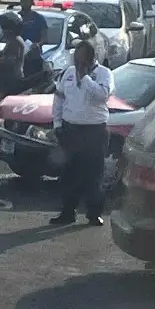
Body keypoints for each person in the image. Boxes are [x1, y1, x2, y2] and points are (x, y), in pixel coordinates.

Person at [50, 41, 114, 226]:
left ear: (91, 57)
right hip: (71, 130)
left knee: (93, 176)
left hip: (94, 131)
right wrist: (57, 123)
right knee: (69, 174)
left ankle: (94, 214)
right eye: (75, 57)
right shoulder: (68, 73)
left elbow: (102, 96)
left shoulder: (103, 74)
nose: (77, 60)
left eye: (81, 57)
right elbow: (59, 99)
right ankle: (67, 213)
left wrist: (85, 79)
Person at [0, 11, 27, 112]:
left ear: (9, 28)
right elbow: (3, 53)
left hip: (11, 78)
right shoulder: (12, 40)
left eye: (3, 27)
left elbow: (8, 60)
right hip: (7, 76)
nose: (2, 29)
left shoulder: (15, 41)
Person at [18, 0, 48, 74]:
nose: (24, 3)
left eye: (26, 1)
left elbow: (44, 37)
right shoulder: (16, 18)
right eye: (22, 0)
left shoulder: (39, 18)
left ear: (31, 2)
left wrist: (38, 44)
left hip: (34, 57)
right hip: (18, 57)